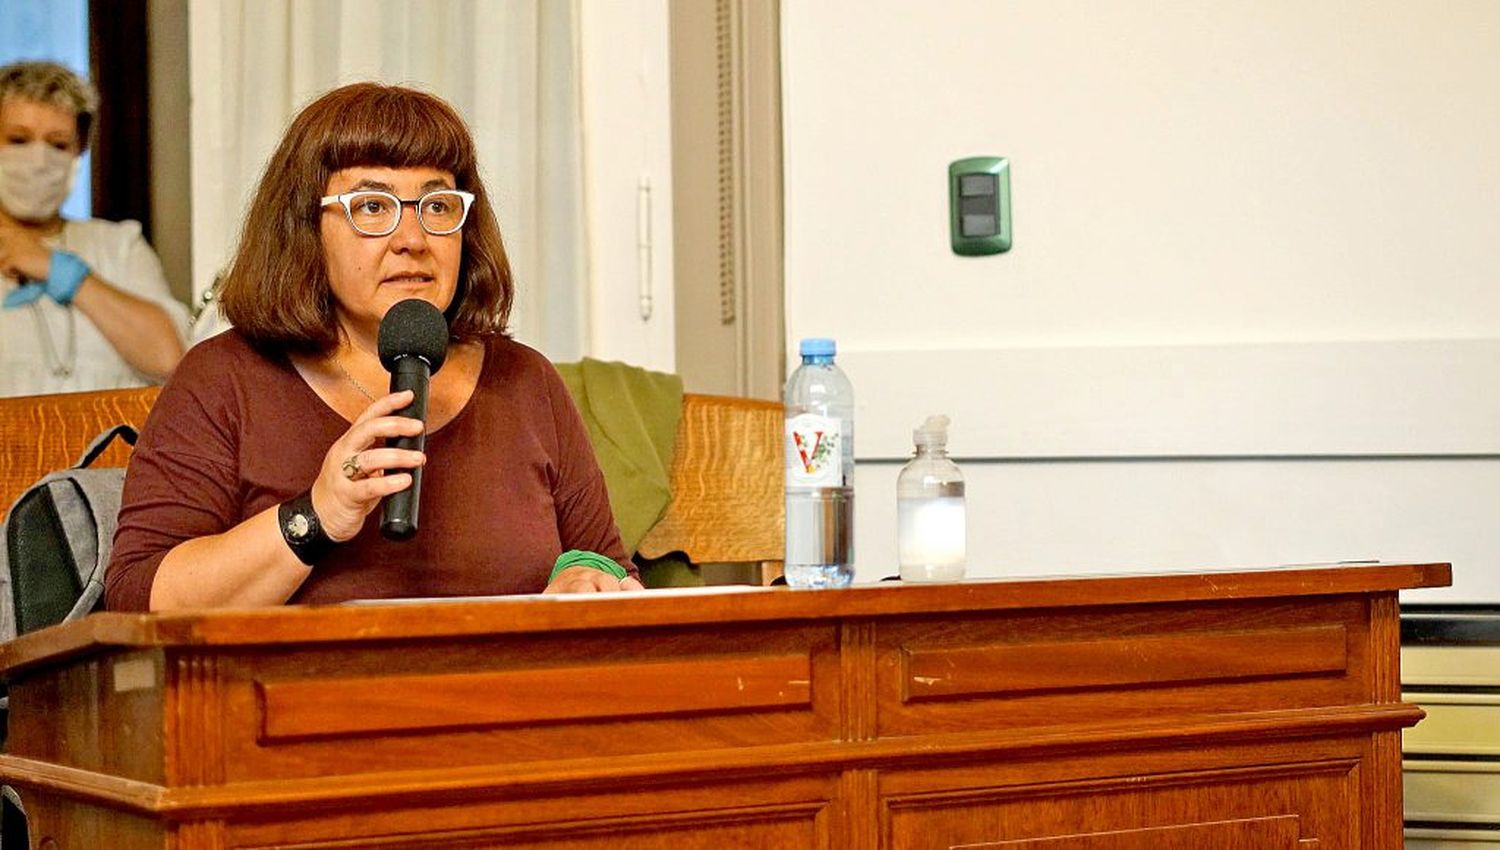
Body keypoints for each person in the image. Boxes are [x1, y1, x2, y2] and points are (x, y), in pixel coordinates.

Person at [104, 82, 642, 612]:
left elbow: (609, 567)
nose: (412, 238)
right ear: (306, 226)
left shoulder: (525, 381)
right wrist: (316, 516)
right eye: (372, 206)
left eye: (436, 205)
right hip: (296, 698)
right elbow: (138, 599)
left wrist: (588, 573)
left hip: (507, 696)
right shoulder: (224, 380)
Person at [0, 60, 185, 395]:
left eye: (58, 144)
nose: (39, 160)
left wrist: (64, 273)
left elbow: (170, 359)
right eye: (18, 139)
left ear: (79, 151)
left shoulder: (118, 246)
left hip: (107, 443)